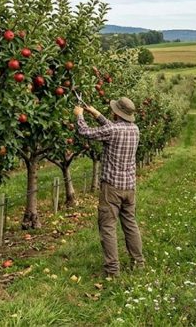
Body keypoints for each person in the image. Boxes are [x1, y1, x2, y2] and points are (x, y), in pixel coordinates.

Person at [74, 97, 144, 277]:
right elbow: (110, 127)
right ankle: (139, 262)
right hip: (129, 187)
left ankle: (112, 271)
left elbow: (85, 132)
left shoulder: (112, 130)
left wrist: (79, 115)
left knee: (108, 227)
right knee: (130, 224)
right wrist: (95, 113)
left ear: (116, 113)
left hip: (111, 188)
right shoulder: (135, 130)